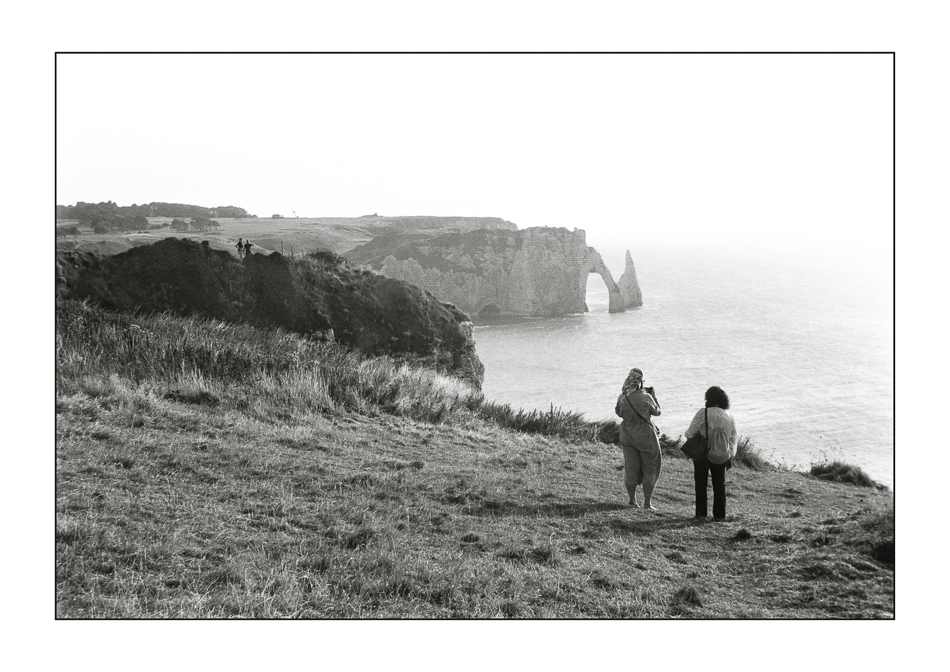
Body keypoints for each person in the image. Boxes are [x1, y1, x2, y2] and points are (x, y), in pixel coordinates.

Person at [684, 386, 738, 521]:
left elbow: (690, 433)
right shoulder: (729, 417)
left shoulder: (703, 413)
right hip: (722, 454)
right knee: (719, 485)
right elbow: (733, 440)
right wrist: (730, 455)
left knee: (701, 484)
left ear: (708, 399)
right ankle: (719, 516)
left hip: (703, 453)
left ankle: (701, 514)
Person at [614, 368, 662, 510]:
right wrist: (654, 397)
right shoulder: (646, 397)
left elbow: (618, 413)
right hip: (646, 437)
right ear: (641, 382)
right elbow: (657, 412)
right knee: (650, 467)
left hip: (627, 435)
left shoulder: (622, 397)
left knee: (631, 468)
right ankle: (647, 503)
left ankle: (632, 500)